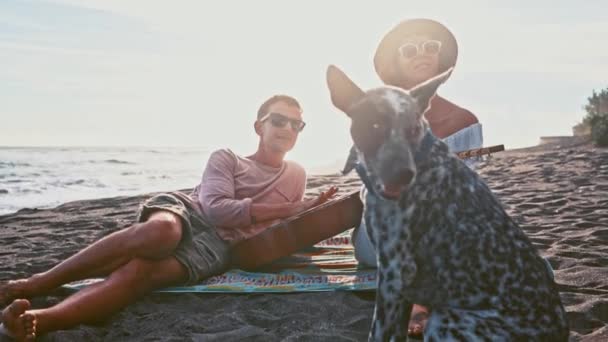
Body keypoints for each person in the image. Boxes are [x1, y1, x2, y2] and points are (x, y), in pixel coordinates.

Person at [0, 94, 337, 340]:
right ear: (258, 125)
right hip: (188, 211)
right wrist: (292, 208)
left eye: (297, 124)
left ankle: (38, 320)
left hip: (220, 244)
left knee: (141, 271)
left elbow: (284, 227)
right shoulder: (228, 158)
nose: (288, 128)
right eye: (278, 120)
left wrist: (316, 214)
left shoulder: (297, 175)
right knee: (160, 235)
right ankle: (34, 283)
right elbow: (216, 209)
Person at [351, 18, 483, 337]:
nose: (421, 54)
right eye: (409, 49)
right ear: (396, 62)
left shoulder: (465, 120)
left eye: (430, 46)